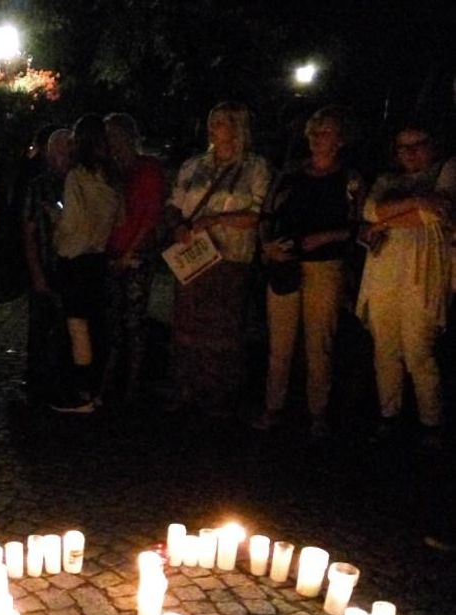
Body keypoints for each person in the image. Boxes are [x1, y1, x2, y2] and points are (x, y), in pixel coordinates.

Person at [253, 107, 366, 437]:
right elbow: (267, 214)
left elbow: (359, 225)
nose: (317, 138)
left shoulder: (350, 180)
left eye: (325, 132)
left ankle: (318, 412)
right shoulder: (289, 174)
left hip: (324, 268)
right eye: (313, 132)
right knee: (280, 343)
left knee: (319, 342)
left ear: (340, 139)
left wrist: (328, 237)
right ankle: (273, 406)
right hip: (286, 262)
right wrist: (267, 247)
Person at [166, 102, 272, 416]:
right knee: (187, 321)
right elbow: (175, 204)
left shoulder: (256, 168)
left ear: (238, 128)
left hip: (230, 258)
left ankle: (220, 391)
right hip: (194, 257)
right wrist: (176, 226)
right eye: (212, 121)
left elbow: (257, 214)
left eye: (222, 122)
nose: (214, 127)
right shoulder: (193, 166)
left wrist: (213, 221)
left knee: (223, 325)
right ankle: (186, 385)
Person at [356, 122, 454, 447]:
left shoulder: (448, 171)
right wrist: (416, 202)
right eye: (403, 147)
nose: (410, 153)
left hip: (422, 271)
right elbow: (370, 211)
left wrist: (387, 217)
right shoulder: (387, 180)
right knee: (385, 347)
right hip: (385, 268)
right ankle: (389, 414)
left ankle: (431, 421)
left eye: (418, 144)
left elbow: (437, 216)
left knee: (418, 350)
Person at [49, 115, 123, 414]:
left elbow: (73, 224)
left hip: (77, 258)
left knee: (77, 326)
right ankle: (96, 388)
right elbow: (119, 218)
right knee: (96, 324)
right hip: (98, 257)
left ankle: (82, 392)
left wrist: (57, 231)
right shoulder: (111, 176)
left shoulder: (77, 176)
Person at [102, 113, 165, 405]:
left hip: (136, 251)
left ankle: (133, 380)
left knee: (134, 319)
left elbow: (150, 215)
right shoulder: (108, 171)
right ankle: (111, 374)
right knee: (113, 317)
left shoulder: (148, 169)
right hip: (111, 251)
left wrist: (132, 250)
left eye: (114, 134)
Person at [21, 127, 72, 405]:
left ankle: (61, 380)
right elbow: (28, 232)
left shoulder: (80, 183)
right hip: (46, 262)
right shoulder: (38, 186)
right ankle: (36, 382)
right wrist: (36, 271)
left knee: (68, 328)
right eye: (57, 151)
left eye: (66, 150)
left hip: (71, 266)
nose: (61, 157)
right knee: (40, 327)